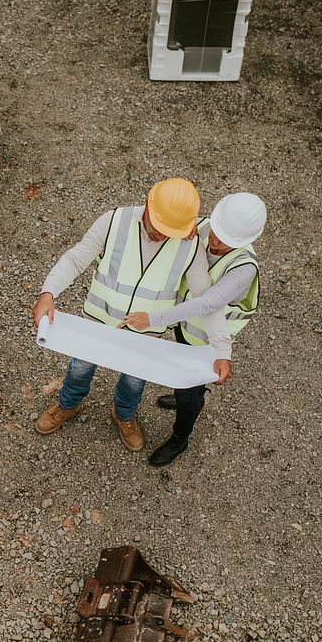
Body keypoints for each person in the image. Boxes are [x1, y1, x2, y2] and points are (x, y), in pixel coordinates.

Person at [32, 178, 232, 452]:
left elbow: (205, 300)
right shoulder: (113, 221)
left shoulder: (189, 243)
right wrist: (48, 292)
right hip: (98, 322)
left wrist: (223, 350)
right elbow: (76, 258)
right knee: (80, 368)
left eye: (171, 232)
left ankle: (124, 414)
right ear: (148, 207)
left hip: (145, 335)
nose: (163, 236)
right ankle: (68, 404)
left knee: (135, 379)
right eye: (161, 229)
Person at [117, 192, 264, 465]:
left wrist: (152, 319)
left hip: (207, 342)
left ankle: (180, 438)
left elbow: (207, 303)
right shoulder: (206, 226)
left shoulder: (244, 270)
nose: (215, 240)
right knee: (182, 381)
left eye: (226, 241)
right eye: (216, 231)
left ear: (244, 241)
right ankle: (185, 394)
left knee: (189, 394)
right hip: (183, 326)